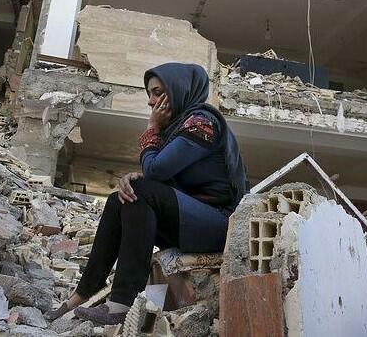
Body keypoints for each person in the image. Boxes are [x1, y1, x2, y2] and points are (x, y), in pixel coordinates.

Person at [44, 63, 247, 325]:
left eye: (158, 92)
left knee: (139, 191)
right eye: (149, 94)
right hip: (190, 221)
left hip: (219, 226)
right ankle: (81, 295)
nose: (151, 101)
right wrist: (134, 178)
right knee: (120, 198)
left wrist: (151, 128)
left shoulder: (202, 124)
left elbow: (156, 169)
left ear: (179, 90)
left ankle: (122, 302)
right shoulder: (176, 128)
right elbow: (158, 176)